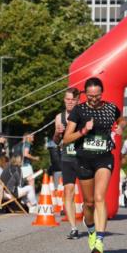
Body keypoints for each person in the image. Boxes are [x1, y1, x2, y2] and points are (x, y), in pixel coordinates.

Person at [62, 77, 125, 253]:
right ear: (85, 95)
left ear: (101, 93)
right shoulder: (79, 111)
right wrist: (83, 131)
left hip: (104, 158)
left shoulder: (110, 107)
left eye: (97, 96)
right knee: (88, 203)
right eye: (90, 96)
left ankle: (99, 239)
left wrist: (119, 126)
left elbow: (122, 119)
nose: (94, 99)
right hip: (83, 159)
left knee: (99, 198)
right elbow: (66, 138)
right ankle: (90, 230)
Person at [53, 88, 81, 238]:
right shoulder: (59, 117)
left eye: (73, 100)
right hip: (67, 158)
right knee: (68, 192)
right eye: (67, 99)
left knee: (89, 197)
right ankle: (73, 228)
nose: (70, 102)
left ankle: (92, 223)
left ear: (77, 101)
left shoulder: (84, 115)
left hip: (82, 159)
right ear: (64, 100)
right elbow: (56, 141)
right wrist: (57, 133)